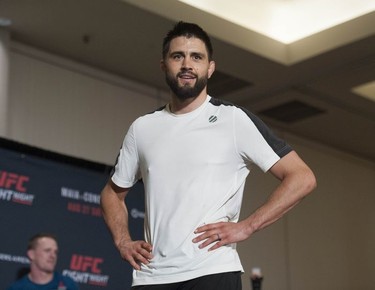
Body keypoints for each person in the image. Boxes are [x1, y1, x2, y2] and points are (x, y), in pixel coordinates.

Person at [100, 21, 316, 290]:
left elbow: (301, 177)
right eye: (177, 56)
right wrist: (122, 241)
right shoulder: (142, 128)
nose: (187, 64)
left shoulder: (234, 120)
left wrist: (247, 226)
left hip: (212, 272)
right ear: (164, 65)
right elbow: (112, 193)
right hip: (152, 277)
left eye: (196, 57)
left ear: (210, 68)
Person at [6, 233, 79, 290]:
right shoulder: (17, 288)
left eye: (55, 252)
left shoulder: (68, 285)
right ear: (31, 254)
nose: (52, 256)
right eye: (47, 251)